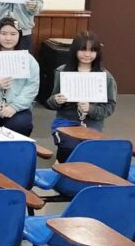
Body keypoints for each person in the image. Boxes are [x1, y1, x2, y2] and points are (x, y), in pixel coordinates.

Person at [47, 31, 117, 162]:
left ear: (98, 53)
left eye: (92, 50)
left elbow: (110, 107)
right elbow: (50, 101)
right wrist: (56, 100)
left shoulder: (105, 77)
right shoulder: (62, 71)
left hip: (92, 123)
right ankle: (62, 163)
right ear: (74, 50)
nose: (87, 54)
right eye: (83, 49)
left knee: (89, 148)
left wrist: (91, 109)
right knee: (69, 146)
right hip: (66, 120)